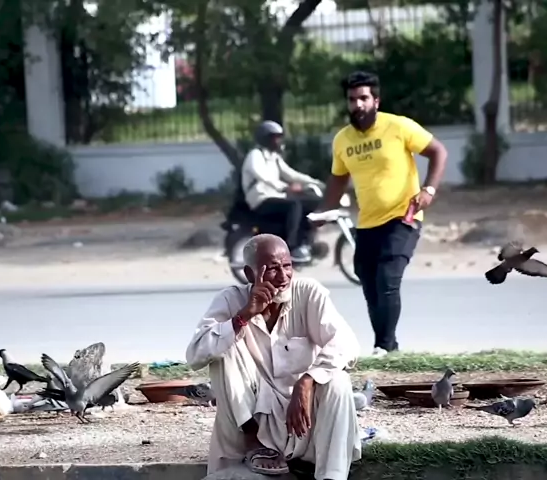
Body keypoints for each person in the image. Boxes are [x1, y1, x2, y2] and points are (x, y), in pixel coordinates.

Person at [185, 233, 362, 479]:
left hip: (303, 420)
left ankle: (331, 476)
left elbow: (347, 344)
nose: (283, 277)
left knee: (339, 380)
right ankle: (253, 442)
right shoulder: (231, 299)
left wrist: (307, 380)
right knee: (224, 346)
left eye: (287, 266)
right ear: (250, 274)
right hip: (255, 420)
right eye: (272, 269)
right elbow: (195, 355)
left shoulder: (308, 293)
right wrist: (243, 316)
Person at [315, 71, 448, 357]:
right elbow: (338, 179)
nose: (358, 105)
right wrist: (322, 212)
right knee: (369, 281)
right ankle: (389, 347)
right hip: (367, 223)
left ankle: (383, 346)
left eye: (364, 98)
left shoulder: (398, 126)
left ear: (376, 101)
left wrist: (429, 190)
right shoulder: (342, 140)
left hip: (403, 216)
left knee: (387, 278)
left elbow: (438, 152)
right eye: (352, 99)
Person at [241, 120, 324, 263]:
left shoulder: (273, 157)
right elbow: (263, 176)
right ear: (266, 138)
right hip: (260, 199)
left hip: (276, 195)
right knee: (294, 205)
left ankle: (304, 242)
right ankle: (291, 247)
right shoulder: (255, 155)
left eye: (279, 137)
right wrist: (285, 187)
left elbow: (291, 174)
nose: (279, 141)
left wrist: (316, 183)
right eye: (275, 137)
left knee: (311, 202)